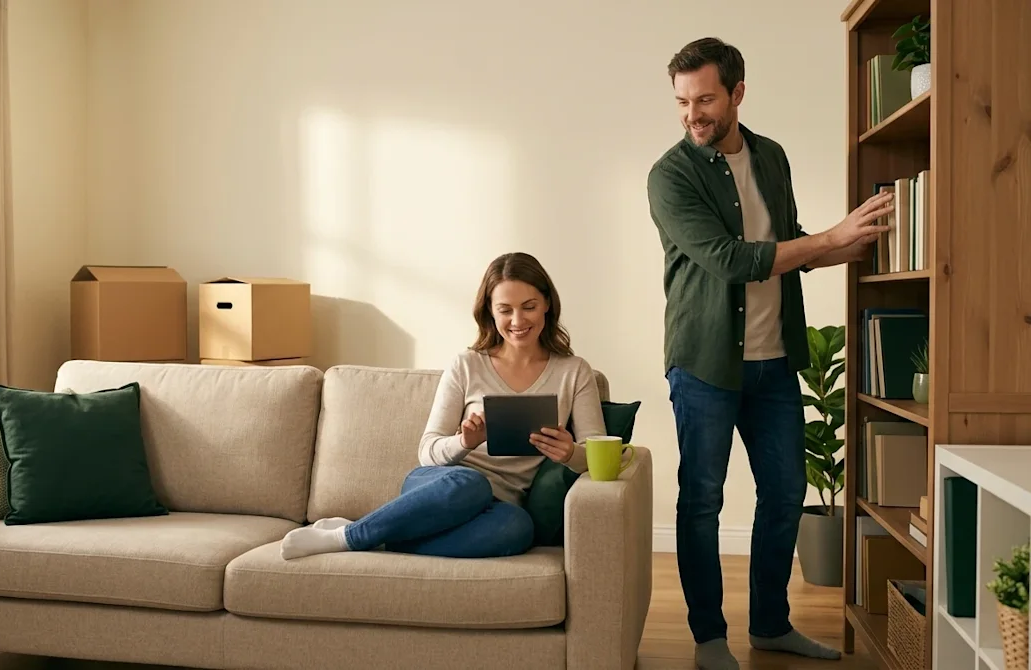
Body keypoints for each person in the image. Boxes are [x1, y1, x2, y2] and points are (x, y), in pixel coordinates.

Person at [646, 38, 893, 670]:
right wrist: (826, 241)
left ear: (737, 93)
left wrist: (854, 240)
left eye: (704, 98)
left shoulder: (772, 158)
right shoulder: (670, 175)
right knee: (701, 499)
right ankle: (706, 637)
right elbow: (732, 261)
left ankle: (770, 625)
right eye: (682, 101)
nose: (692, 113)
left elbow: (790, 245)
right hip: (705, 361)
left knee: (784, 494)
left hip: (775, 360)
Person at [280, 251, 607, 561]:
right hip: (442, 485)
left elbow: (598, 453)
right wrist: (464, 442)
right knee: (471, 483)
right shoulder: (467, 365)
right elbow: (427, 451)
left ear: (547, 304)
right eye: (505, 309)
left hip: (498, 506)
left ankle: (374, 537)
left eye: (529, 306)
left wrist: (569, 454)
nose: (517, 320)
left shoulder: (574, 371)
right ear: (490, 312)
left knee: (519, 529)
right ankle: (347, 537)